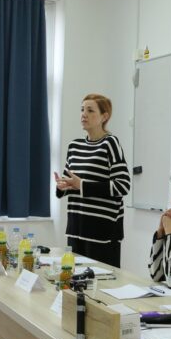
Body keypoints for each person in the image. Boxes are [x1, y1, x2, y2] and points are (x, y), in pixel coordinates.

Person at [55, 94, 130, 267]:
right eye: (82, 109)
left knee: (101, 282)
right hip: (76, 229)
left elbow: (123, 185)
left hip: (102, 234)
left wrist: (82, 185)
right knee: (73, 279)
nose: (84, 114)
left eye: (90, 110)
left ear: (104, 116)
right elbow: (70, 183)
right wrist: (62, 186)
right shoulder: (74, 146)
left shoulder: (110, 143)